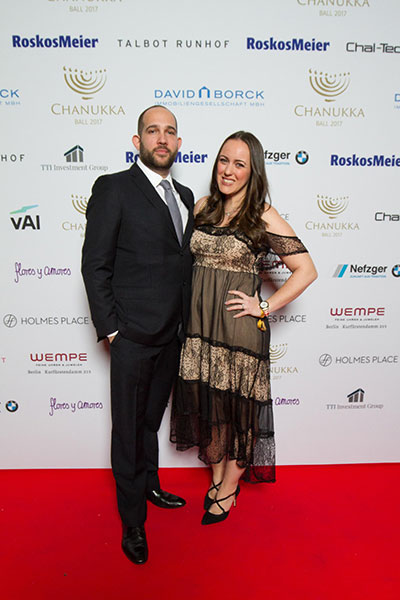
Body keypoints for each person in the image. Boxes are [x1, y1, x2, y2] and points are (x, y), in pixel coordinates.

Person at [170, 131, 317, 525]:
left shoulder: (262, 215)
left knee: (239, 410)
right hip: (200, 328)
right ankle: (218, 475)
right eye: (224, 160)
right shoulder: (203, 207)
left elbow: (306, 270)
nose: (228, 171)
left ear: (253, 172)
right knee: (211, 405)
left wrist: (263, 306)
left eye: (239, 164)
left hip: (238, 330)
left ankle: (230, 486)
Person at [81, 106, 194, 563]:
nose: (161, 139)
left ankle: (150, 485)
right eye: (152, 131)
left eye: (170, 132)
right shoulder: (114, 189)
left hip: (173, 335)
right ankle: (132, 521)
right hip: (130, 336)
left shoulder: (185, 195)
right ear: (137, 141)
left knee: (149, 422)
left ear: (179, 143)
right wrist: (112, 330)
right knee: (127, 431)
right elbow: (95, 265)